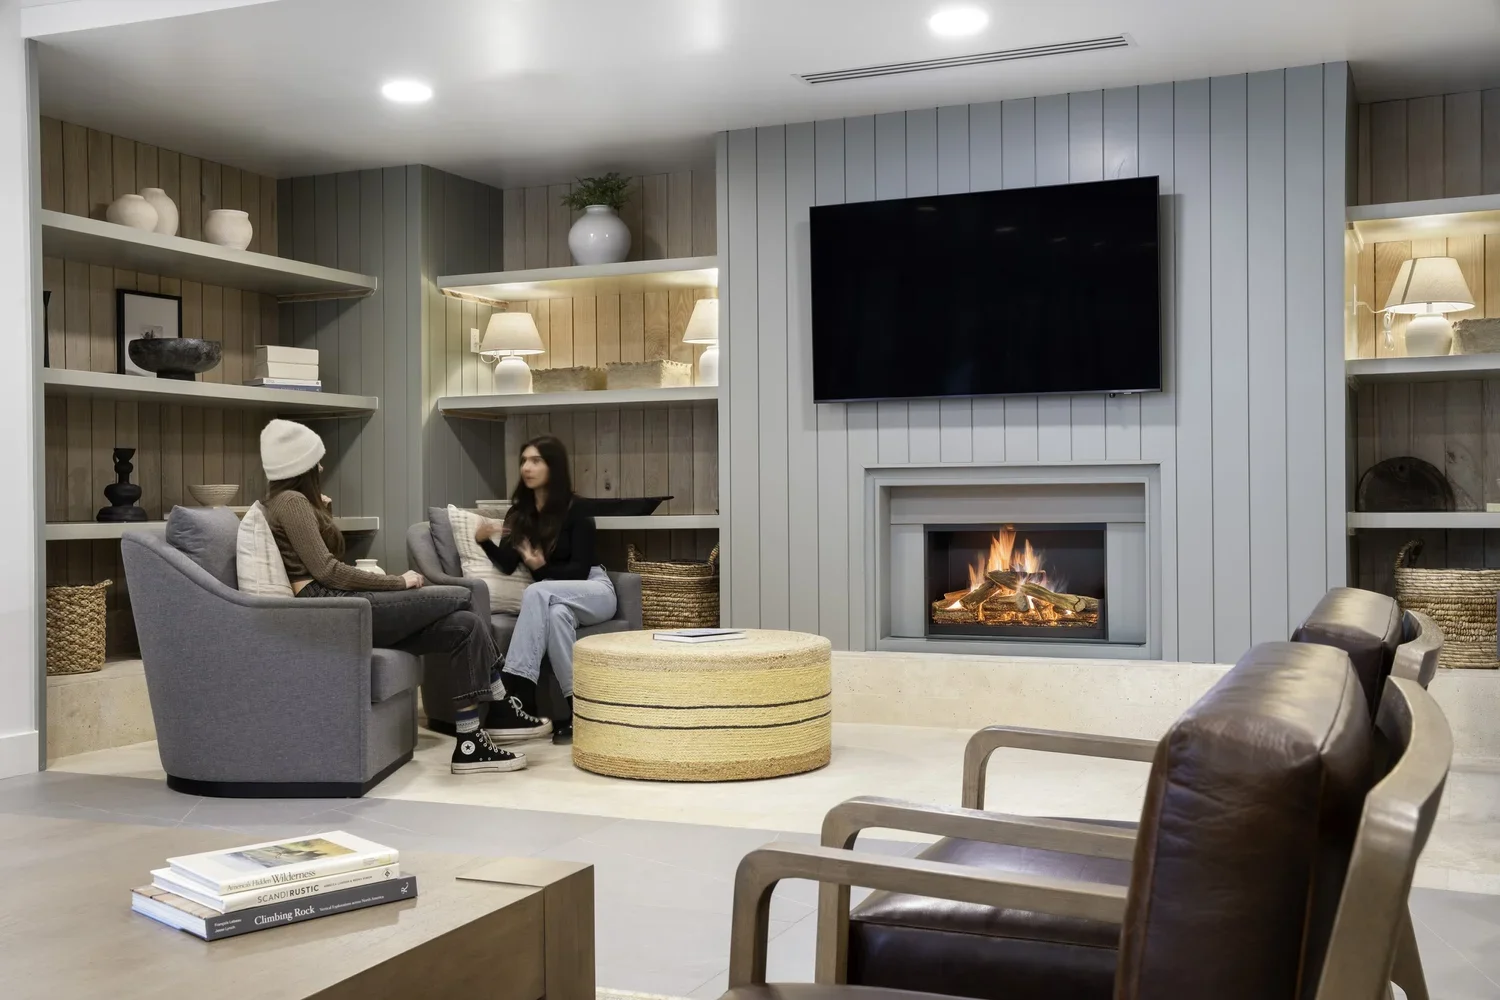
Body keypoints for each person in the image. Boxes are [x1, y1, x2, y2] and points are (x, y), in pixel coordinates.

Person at [257, 418, 524, 775]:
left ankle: (470, 742)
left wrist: (323, 513)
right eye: (316, 460)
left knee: (465, 625)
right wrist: (399, 582)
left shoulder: (293, 502)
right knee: (459, 595)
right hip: (332, 606)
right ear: (300, 467)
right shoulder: (290, 502)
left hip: (338, 602)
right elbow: (329, 571)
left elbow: (325, 557)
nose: (322, 467)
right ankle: (501, 699)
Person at [478, 435, 618, 746]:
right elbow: (506, 563)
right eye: (524, 460)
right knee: (555, 617)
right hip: (558, 600)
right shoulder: (520, 515)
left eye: (536, 460)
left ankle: (515, 694)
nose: (527, 467)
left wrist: (540, 569)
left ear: (553, 466)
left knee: (538, 592)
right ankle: (575, 714)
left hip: (594, 590)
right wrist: (483, 540)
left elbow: (580, 570)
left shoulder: (577, 509)